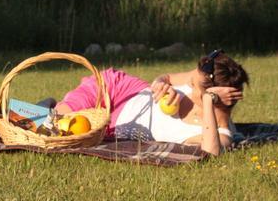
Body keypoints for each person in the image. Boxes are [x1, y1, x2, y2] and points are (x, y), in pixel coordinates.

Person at [55, 50, 249, 156]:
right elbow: (166, 77)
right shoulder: (202, 77)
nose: (189, 83)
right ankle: (48, 109)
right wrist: (159, 83)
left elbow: (211, 151)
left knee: (65, 128)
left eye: (194, 86)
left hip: (114, 123)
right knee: (57, 118)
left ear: (212, 97)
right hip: (122, 90)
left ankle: (47, 106)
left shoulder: (219, 134)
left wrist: (207, 101)